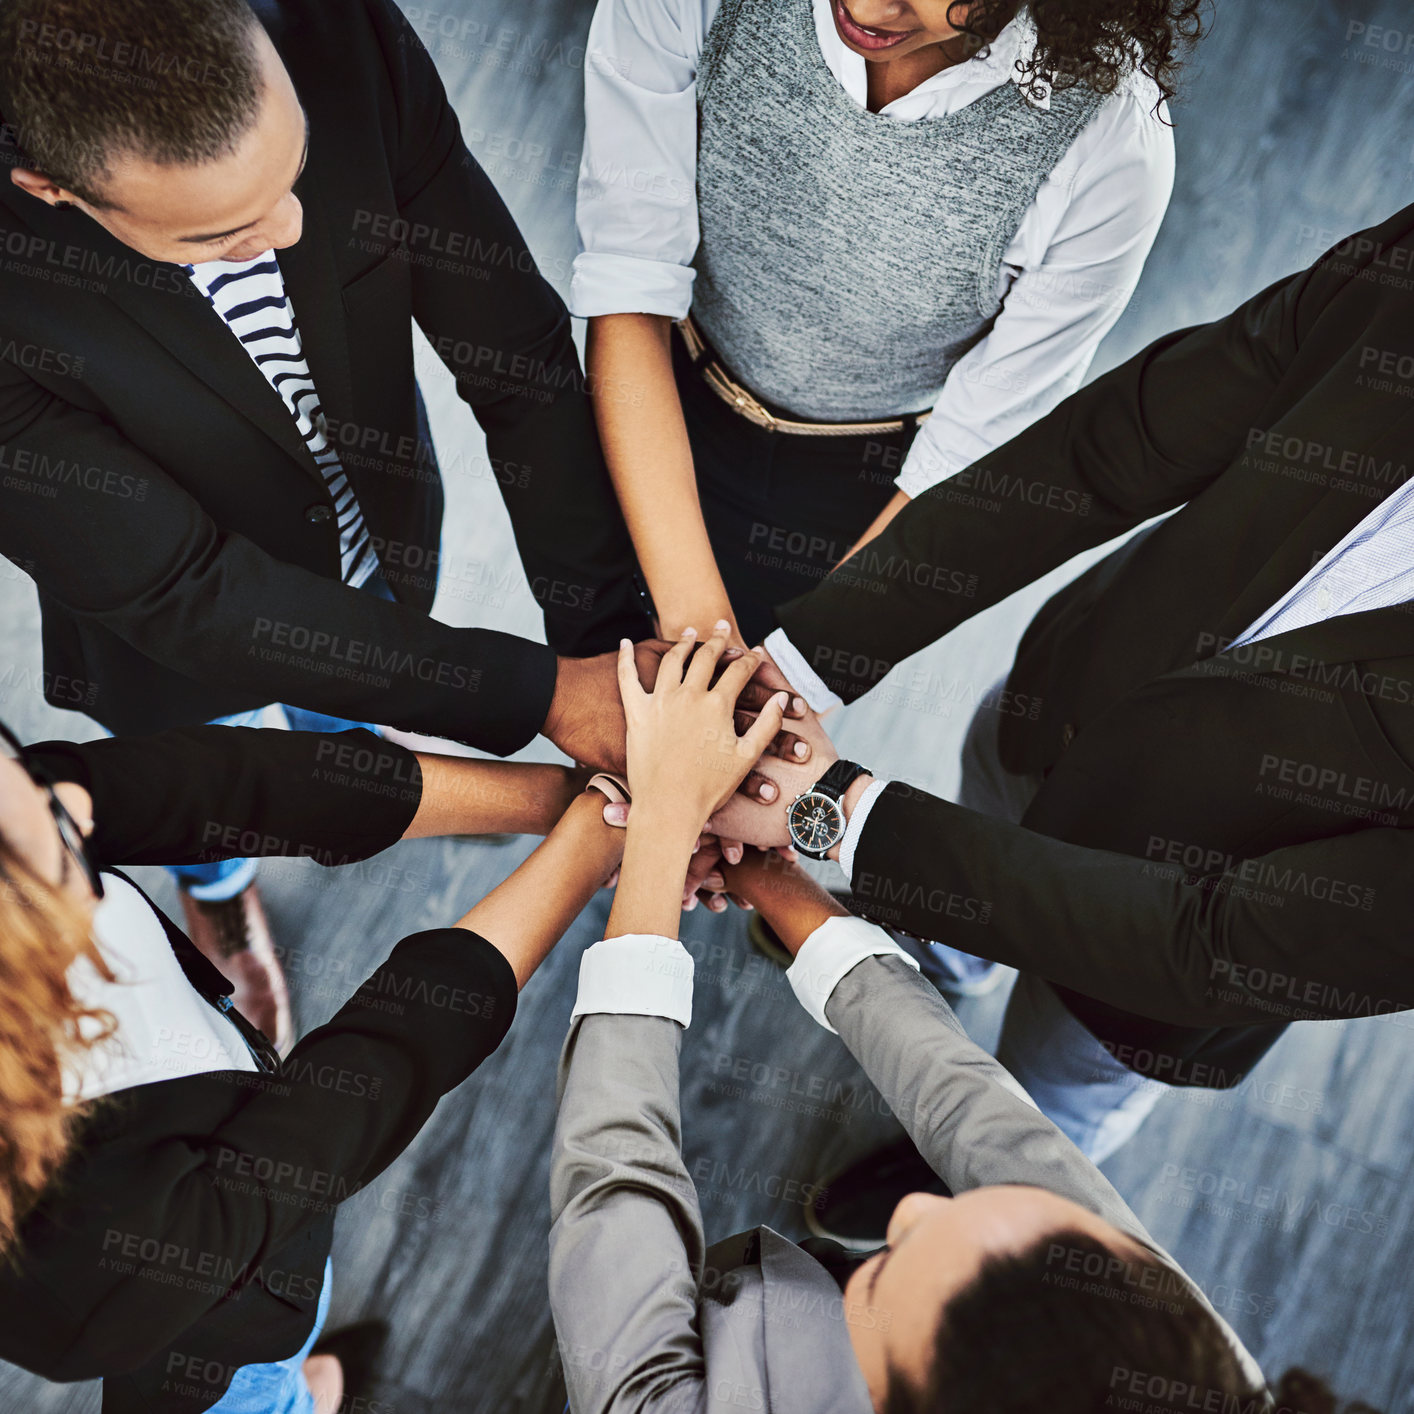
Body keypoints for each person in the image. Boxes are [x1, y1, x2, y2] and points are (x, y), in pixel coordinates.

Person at [695, 200, 1414, 1209]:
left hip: (1142, 960)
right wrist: (798, 669)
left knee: (1039, 1109)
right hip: (1057, 706)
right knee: (970, 820)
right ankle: (938, 942)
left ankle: (967, 1182)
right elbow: (1110, 449)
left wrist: (832, 809)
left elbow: (1213, 945)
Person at [0, 0, 670, 1043]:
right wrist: (536, 697)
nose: (292, 230)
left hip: (378, 538)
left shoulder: (341, 33)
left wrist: (595, 665)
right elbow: (187, 594)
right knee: (200, 783)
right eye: (220, 234)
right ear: (51, 188)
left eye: (297, 168)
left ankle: (390, 764)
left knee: (352, 718)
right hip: (173, 639)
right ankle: (217, 891)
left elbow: (521, 365)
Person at [547, 624, 1270, 1414]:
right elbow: (972, 1108)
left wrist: (660, 827)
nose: (921, 1205)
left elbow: (617, 1175)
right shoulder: (1151, 1343)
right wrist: (764, 866)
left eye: (893, 1258)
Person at [0, 717, 628, 1413]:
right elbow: (377, 1067)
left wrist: (572, 800)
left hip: (246, 1240)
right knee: (258, 1385)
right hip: (212, 1356)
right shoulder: (90, 1266)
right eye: (58, 853)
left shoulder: (25, 818)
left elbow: (229, 784)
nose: (78, 812)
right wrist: (598, 839)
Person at [573, 0, 1190, 647]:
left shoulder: (1113, 145)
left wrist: (771, 674)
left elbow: (967, 453)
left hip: (863, 485)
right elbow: (630, 273)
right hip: (646, 386)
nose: (868, 6)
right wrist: (704, 639)